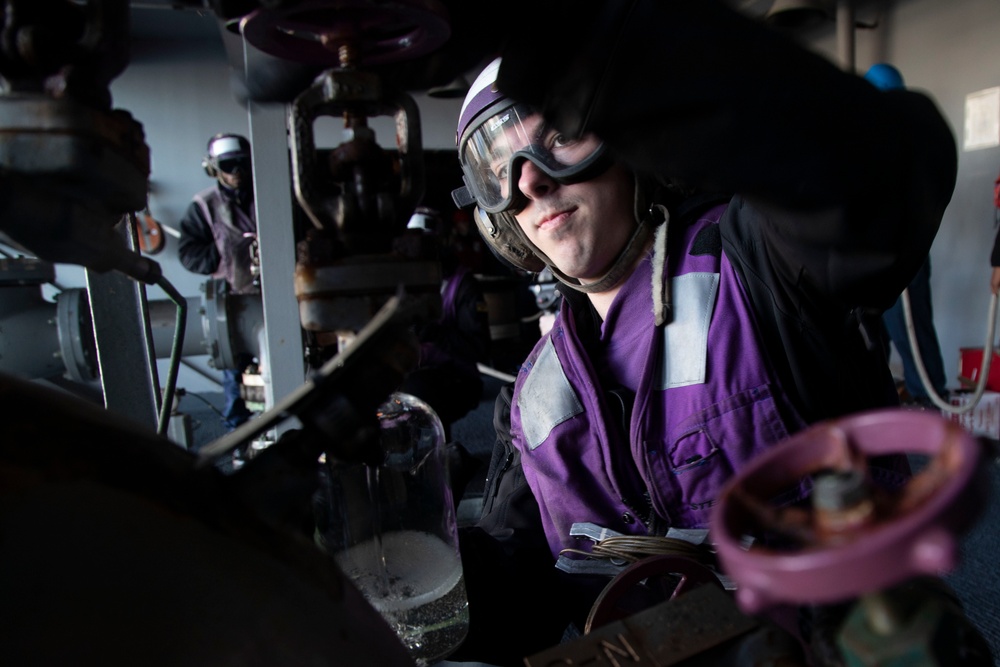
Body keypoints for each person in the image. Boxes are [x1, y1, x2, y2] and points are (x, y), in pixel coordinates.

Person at [446, 3, 965, 665]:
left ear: (628, 141)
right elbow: (526, 590)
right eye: (499, 167)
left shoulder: (760, 263)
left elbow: (877, 184)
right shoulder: (531, 400)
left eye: (559, 137)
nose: (530, 177)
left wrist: (622, 60)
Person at [864, 63, 949, 406]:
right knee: (872, 338)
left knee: (910, 331)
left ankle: (930, 401)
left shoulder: (905, 139)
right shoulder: (873, 139)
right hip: (871, 258)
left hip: (901, 255)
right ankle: (880, 401)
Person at [177, 133, 258, 432]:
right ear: (213, 168)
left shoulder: (271, 194)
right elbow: (188, 253)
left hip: (277, 295)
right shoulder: (204, 206)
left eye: (241, 164)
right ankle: (239, 437)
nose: (236, 172)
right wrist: (220, 253)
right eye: (228, 166)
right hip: (233, 302)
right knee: (235, 380)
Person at [393, 207, 492, 438]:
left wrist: (435, 333)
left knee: (417, 391)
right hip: (411, 367)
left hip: (458, 378)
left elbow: (479, 349)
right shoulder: (402, 283)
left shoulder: (462, 286)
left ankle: (440, 455)